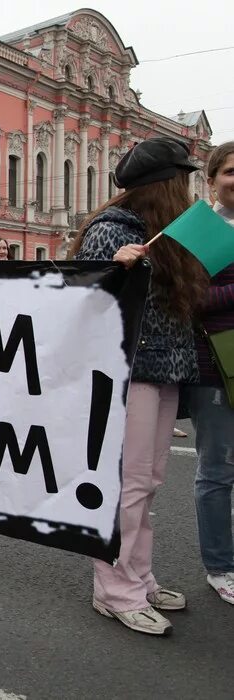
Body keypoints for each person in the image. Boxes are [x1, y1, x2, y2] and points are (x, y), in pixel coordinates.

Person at [72, 136, 209, 635]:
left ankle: (139, 576)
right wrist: (114, 269)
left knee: (147, 482)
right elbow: (78, 297)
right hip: (129, 371)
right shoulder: (112, 231)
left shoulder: (165, 231)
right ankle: (113, 589)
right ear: (162, 186)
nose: (188, 189)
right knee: (128, 486)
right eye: (183, 179)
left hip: (164, 366)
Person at [185, 141, 234, 605]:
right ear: (212, 178)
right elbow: (192, 299)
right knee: (217, 470)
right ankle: (221, 566)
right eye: (231, 172)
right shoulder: (199, 229)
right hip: (216, 364)